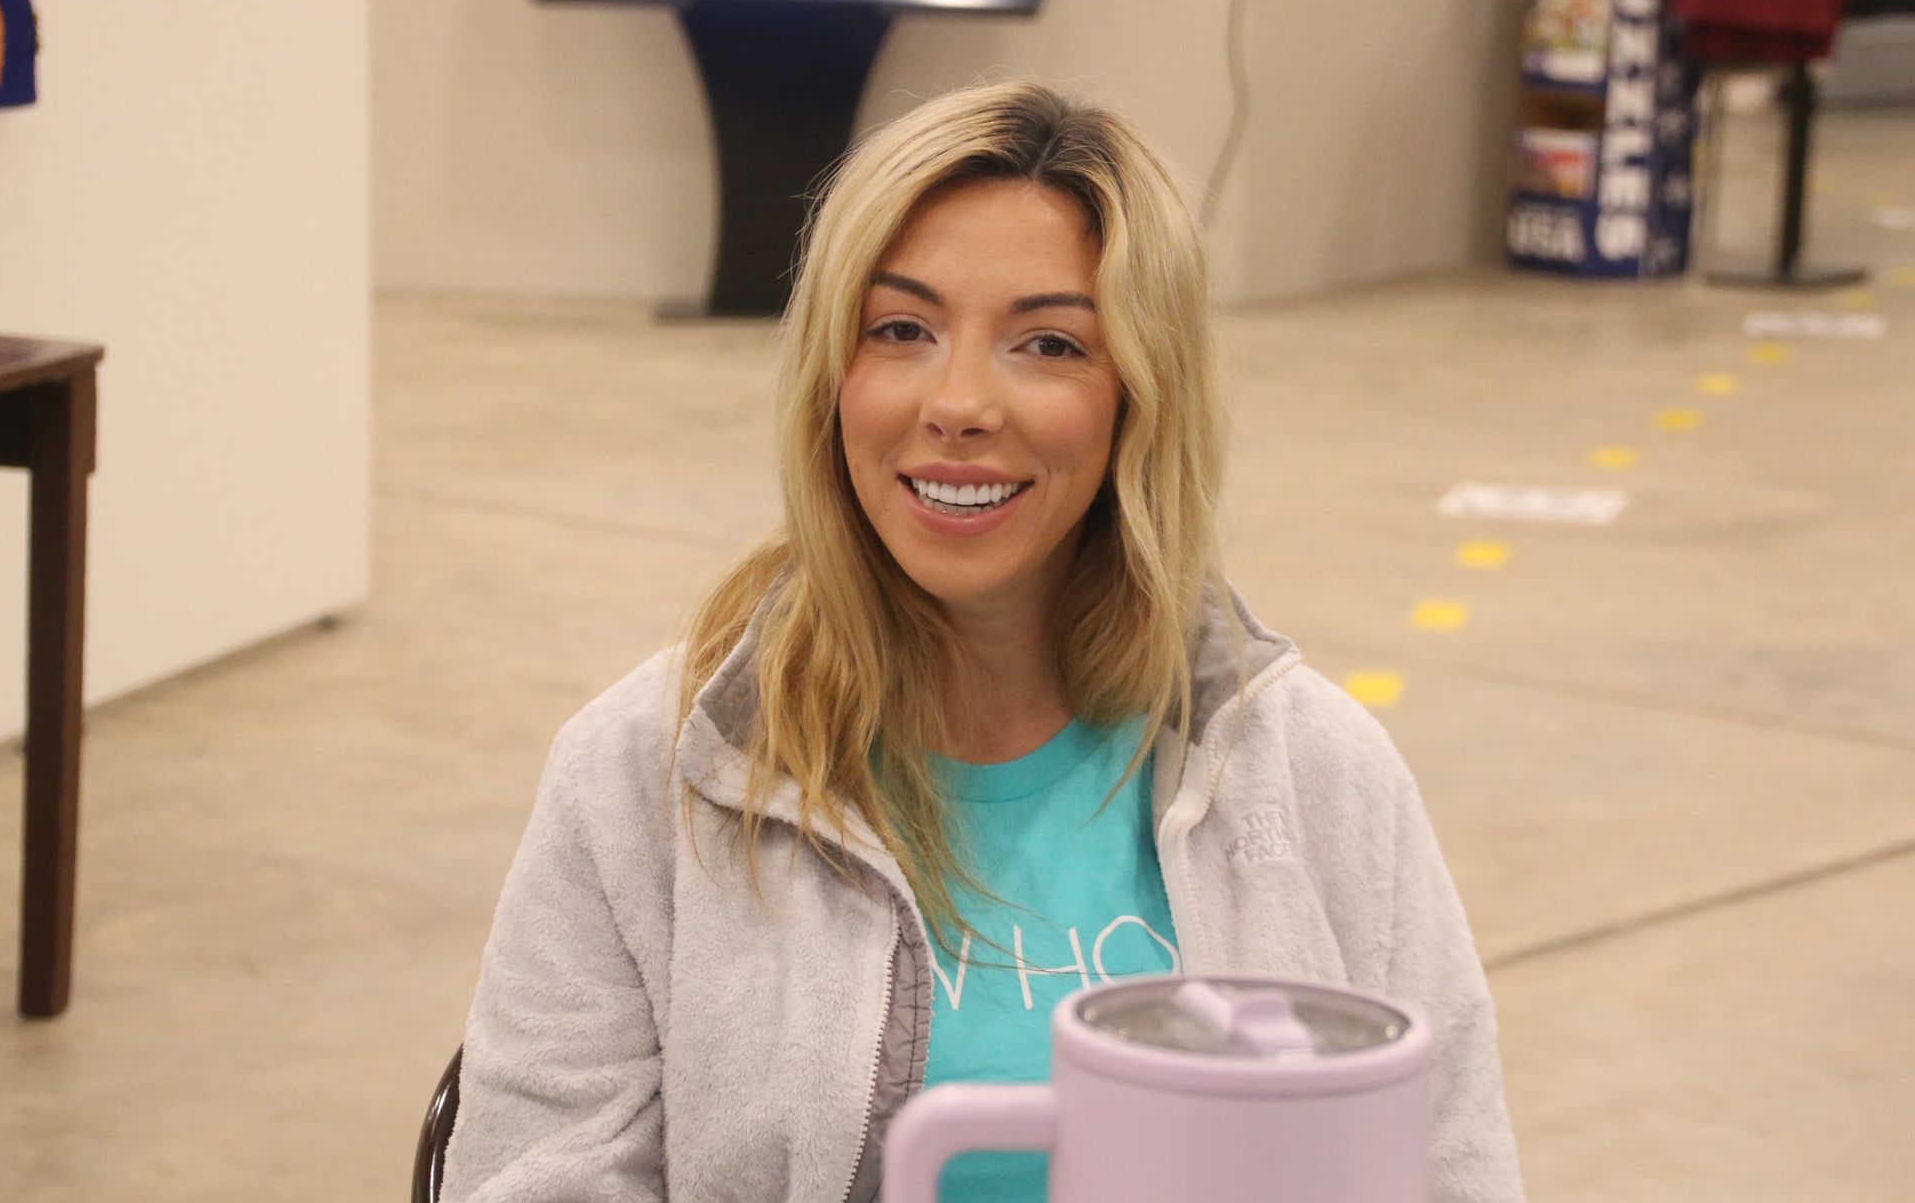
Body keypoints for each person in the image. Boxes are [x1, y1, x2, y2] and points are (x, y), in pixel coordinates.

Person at [440, 79, 1525, 1202]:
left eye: (1049, 343)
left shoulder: (1314, 772)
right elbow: (535, 1175)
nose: (958, 401)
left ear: (1139, 401)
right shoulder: (644, 776)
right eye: (901, 329)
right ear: (831, 375)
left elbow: (1452, 1166)